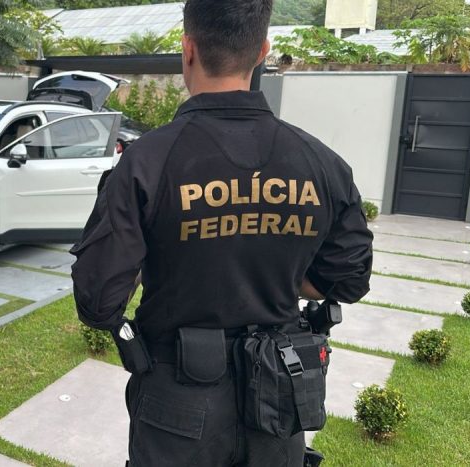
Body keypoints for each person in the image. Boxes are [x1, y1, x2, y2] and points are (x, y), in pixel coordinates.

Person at [70, 0, 373, 465]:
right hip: (281, 392)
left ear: (187, 49)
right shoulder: (320, 162)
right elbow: (347, 279)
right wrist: (275, 270)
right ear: (263, 52)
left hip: (178, 407)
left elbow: (99, 302)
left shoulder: (147, 162)